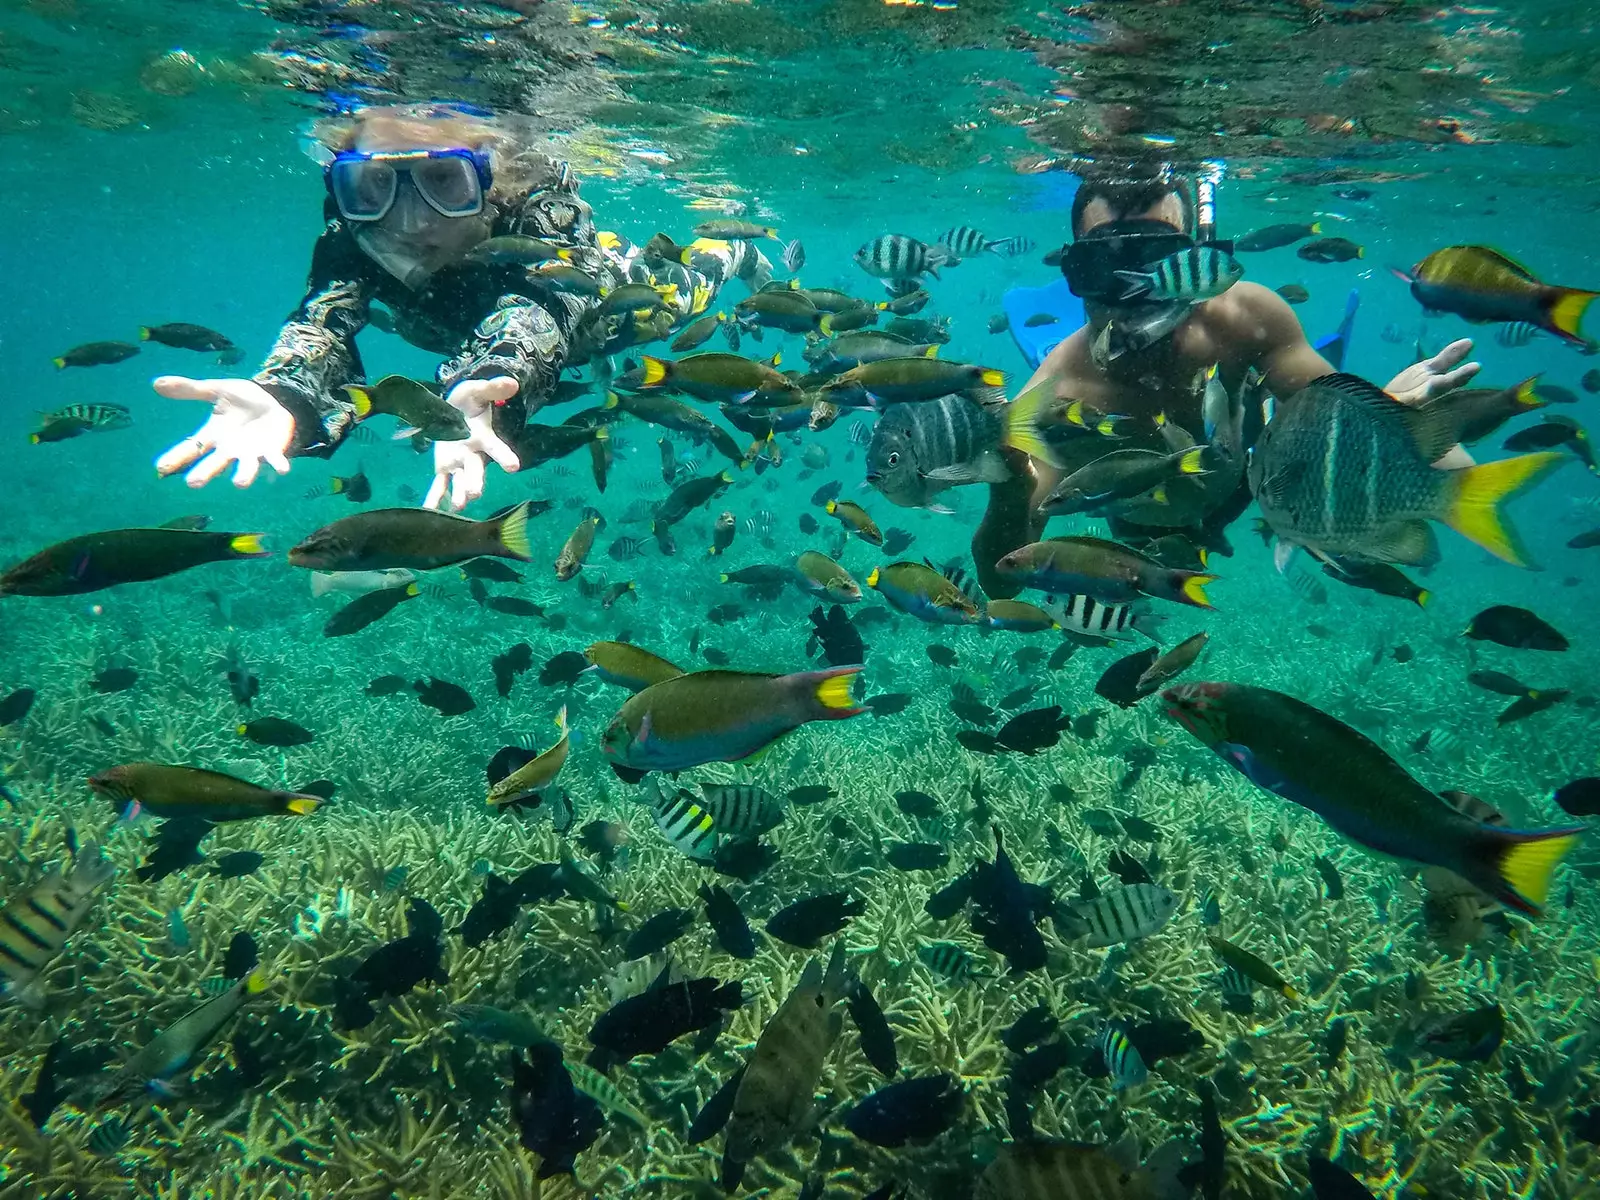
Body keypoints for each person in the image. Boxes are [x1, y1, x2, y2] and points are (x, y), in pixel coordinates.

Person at [152, 103, 770, 510]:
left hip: (594, 306)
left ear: (492, 175)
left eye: (444, 180)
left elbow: (542, 301)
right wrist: (287, 394)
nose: (412, 219)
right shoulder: (352, 236)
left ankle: (731, 247)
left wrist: (484, 382)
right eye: (374, 186)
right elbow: (324, 322)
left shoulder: (540, 208)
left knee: (672, 297)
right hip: (467, 321)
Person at [973, 162, 1481, 595]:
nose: (1135, 293)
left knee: (1305, 406)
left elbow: (1442, 467)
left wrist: (1389, 419)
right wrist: (1008, 491)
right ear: (1075, 271)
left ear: (1197, 261)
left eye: (1158, 261)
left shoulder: (1244, 319)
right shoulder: (1059, 398)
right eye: (1103, 266)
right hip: (1132, 520)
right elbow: (1001, 579)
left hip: (1246, 482)